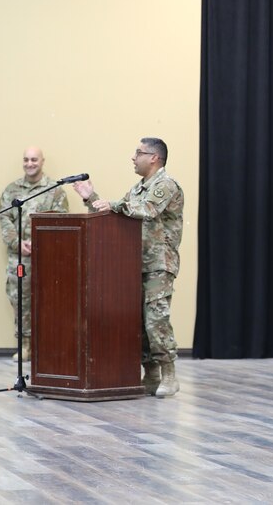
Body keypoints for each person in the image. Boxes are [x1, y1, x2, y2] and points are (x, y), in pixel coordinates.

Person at [73, 138, 184, 397]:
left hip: (159, 263)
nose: (133, 158)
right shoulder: (136, 189)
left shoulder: (165, 185)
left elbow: (147, 210)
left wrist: (113, 204)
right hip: (132, 264)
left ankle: (169, 374)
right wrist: (92, 199)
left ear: (154, 158)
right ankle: (151, 374)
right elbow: (118, 215)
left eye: (139, 153)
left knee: (156, 320)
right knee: (139, 322)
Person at [0, 147, 70, 361]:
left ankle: (48, 344)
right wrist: (17, 243)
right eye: (26, 159)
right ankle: (25, 345)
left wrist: (40, 244)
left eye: (34, 160)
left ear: (42, 162)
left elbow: (61, 222)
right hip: (19, 257)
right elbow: (4, 220)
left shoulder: (55, 191)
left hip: (47, 257)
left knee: (50, 300)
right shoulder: (12, 190)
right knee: (19, 300)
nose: (30, 163)